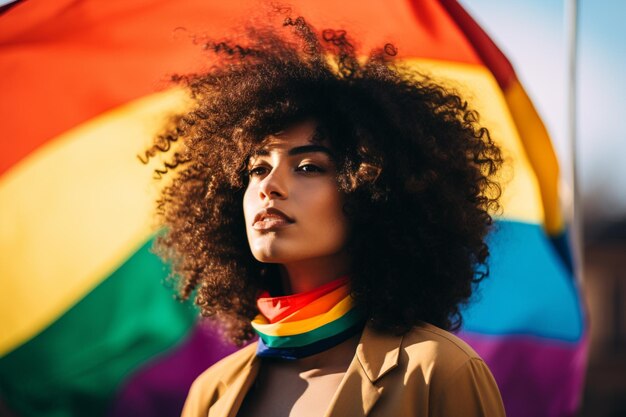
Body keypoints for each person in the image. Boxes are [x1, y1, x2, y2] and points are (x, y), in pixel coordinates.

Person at [145, 13, 506, 417]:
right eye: (257, 169)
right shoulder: (210, 394)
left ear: (375, 193)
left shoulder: (441, 371)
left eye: (309, 167)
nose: (269, 186)